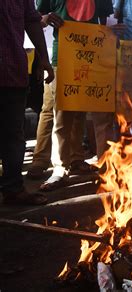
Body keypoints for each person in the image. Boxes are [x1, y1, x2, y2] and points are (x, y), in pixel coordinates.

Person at [33, 0, 113, 191]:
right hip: (63, 57)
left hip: (95, 55)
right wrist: (44, 18)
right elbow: (35, 17)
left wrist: (110, 37)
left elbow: (104, 22)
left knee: (94, 112)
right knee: (61, 114)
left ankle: (103, 166)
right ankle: (60, 168)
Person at [0, 0, 54, 205]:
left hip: (13, 71)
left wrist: (44, 59)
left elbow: (31, 21)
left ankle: (13, 189)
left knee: (14, 134)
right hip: (12, 72)